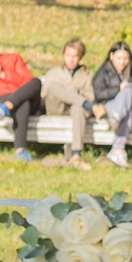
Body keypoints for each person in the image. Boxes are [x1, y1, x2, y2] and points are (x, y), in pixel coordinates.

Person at [89, 41, 132, 168]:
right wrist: (118, 88)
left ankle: (117, 117)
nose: (122, 62)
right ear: (111, 56)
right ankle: (118, 151)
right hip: (110, 107)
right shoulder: (103, 72)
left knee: (128, 92)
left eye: (125, 58)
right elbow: (99, 94)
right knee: (128, 112)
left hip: (131, 108)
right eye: (119, 58)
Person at [38, 38, 92, 166]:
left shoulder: (86, 75)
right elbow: (46, 94)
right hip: (56, 108)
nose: (71, 60)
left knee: (77, 107)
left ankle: (76, 153)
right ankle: (82, 102)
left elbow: (91, 96)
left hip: (74, 111)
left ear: (80, 57)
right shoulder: (54, 73)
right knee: (53, 87)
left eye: (74, 56)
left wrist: (73, 96)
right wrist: (71, 94)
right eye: (68, 56)